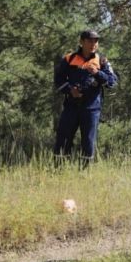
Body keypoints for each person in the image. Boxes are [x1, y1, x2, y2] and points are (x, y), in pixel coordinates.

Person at [53, 29, 117, 169]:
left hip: (91, 108)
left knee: (88, 141)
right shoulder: (69, 59)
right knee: (63, 138)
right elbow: (58, 79)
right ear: (81, 42)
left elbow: (112, 82)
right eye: (89, 40)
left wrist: (98, 73)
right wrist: (70, 90)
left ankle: (85, 171)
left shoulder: (101, 60)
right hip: (71, 106)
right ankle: (58, 170)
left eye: (96, 41)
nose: (93, 44)